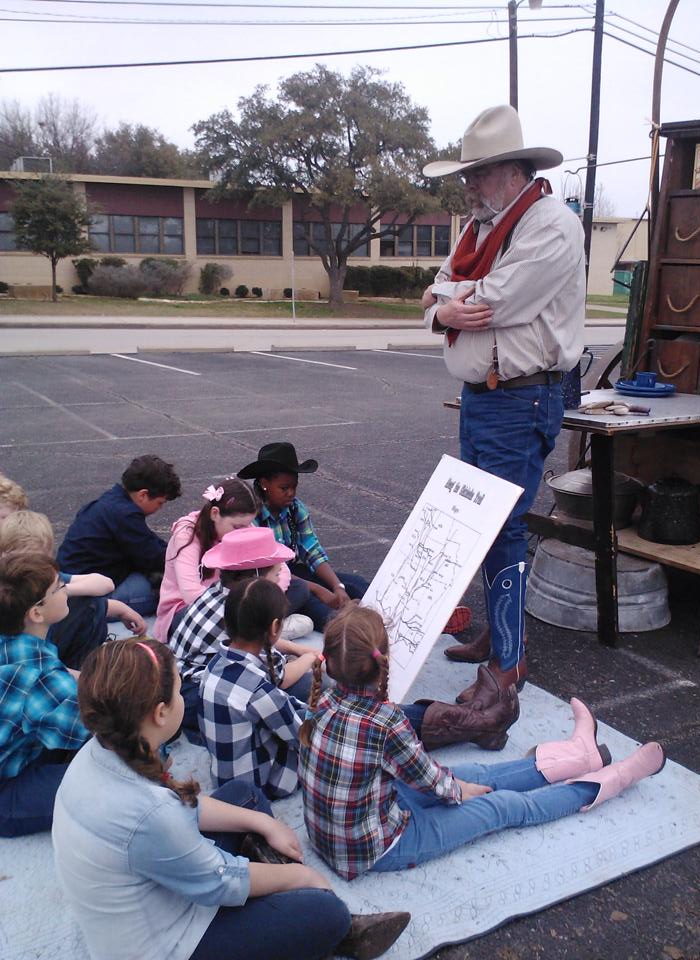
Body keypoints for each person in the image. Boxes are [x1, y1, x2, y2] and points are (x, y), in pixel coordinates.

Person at [52, 636, 410, 960]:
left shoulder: (103, 749)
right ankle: (336, 930)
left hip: (156, 888)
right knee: (327, 913)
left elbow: (177, 810)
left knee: (246, 798)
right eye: (178, 691)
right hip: (168, 944)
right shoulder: (150, 814)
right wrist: (301, 878)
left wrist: (263, 821)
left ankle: (279, 888)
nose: (182, 698)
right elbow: (220, 879)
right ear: (160, 713)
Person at [298, 604, 666, 881]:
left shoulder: (325, 701)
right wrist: (462, 792)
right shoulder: (386, 721)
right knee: (500, 806)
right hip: (374, 848)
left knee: (474, 773)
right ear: (383, 660)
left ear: (329, 664)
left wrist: (460, 786)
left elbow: (423, 776)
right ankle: (608, 781)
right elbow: (433, 782)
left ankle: (579, 755)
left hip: (348, 826)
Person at [421, 104, 586, 695]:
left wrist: (448, 300)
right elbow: (435, 294)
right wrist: (444, 306)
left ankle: (509, 662)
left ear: (514, 172)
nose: (468, 185)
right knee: (481, 525)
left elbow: (498, 303)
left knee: (502, 526)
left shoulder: (550, 225)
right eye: (467, 174)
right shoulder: (484, 229)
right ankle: (498, 637)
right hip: (487, 398)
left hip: (519, 399)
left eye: (479, 173)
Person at [169, 527, 315, 738]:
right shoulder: (249, 611)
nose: (279, 577)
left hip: (179, 681)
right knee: (305, 684)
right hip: (198, 699)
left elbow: (260, 641)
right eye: (276, 574)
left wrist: (298, 648)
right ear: (256, 578)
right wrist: (309, 658)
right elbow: (280, 678)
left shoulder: (219, 592)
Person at [199, 577, 313, 799]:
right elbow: (302, 737)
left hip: (222, 777)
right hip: (259, 786)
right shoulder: (259, 691)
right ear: (275, 627)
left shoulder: (213, 665)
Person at [0, 553, 88, 837]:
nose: (66, 590)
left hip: (14, 754)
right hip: (6, 792)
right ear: (36, 613)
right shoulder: (43, 677)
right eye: (59, 587)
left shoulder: (14, 642)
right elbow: (107, 732)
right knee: (116, 780)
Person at [237, 442, 368, 629]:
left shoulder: (295, 508)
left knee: (356, 584)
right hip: (266, 581)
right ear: (265, 484)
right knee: (317, 605)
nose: (291, 493)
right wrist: (319, 590)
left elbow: (312, 551)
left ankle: (376, 620)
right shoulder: (250, 515)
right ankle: (348, 632)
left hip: (293, 572)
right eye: (284, 488)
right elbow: (267, 570)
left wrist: (337, 587)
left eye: (294, 487)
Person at [0, 510, 145, 669]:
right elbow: (39, 671)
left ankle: (84, 669)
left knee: (89, 599)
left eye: (37, 560)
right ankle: (86, 673)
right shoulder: (9, 589)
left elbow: (105, 584)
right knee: (89, 603)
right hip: (30, 661)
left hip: (36, 655)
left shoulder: (43, 576)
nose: (31, 567)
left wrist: (60, 590)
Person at [58, 454, 182, 616]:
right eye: (160, 503)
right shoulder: (124, 515)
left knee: (158, 577)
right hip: (85, 599)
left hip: (73, 582)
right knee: (169, 592)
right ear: (143, 495)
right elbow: (155, 556)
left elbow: (147, 542)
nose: (160, 508)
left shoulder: (113, 500)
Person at [155, 478, 261, 643]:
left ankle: (254, 628)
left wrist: (267, 599)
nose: (243, 532)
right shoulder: (187, 536)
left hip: (231, 604)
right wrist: (244, 610)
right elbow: (191, 595)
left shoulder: (243, 527)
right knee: (227, 621)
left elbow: (279, 567)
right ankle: (261, 630)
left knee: (299, 589)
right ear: (215, 514)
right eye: (237, 527)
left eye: (247, 525)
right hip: (188, 611)